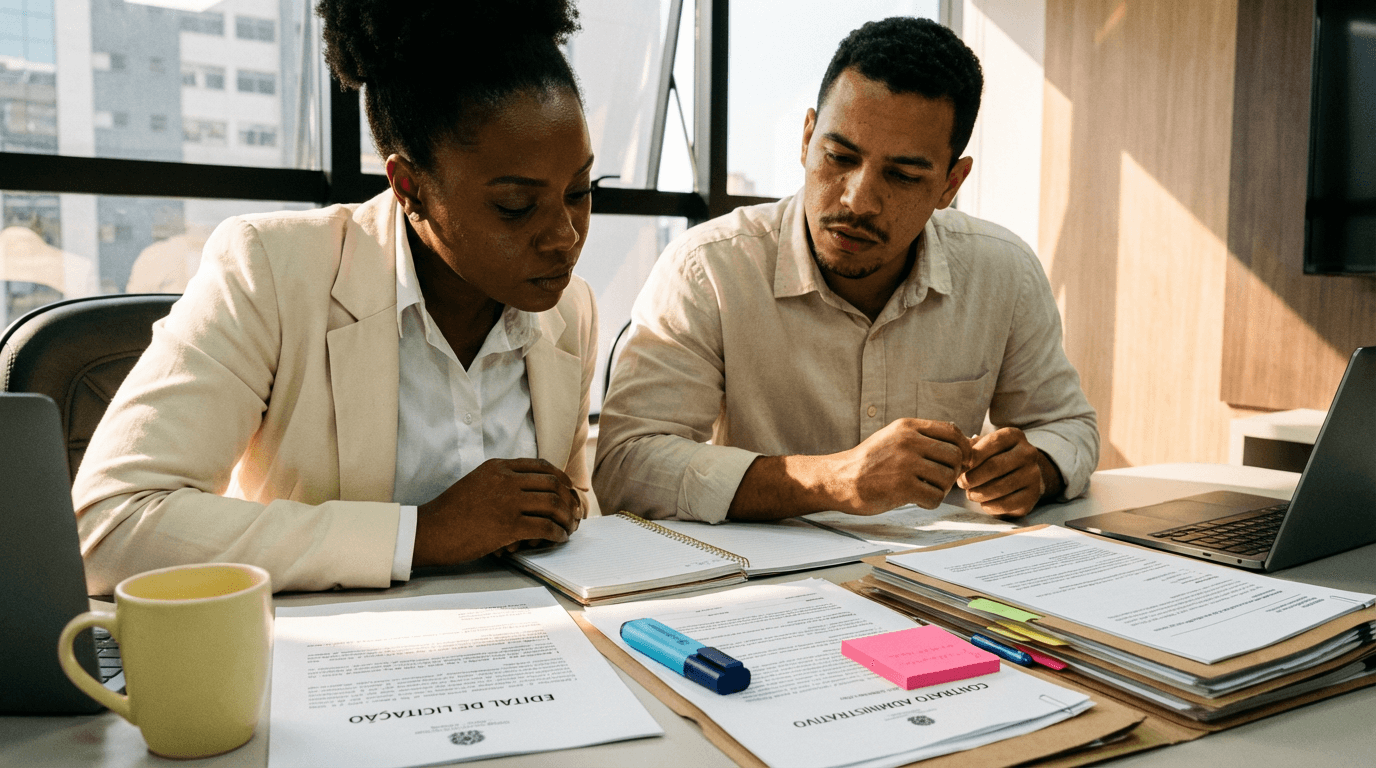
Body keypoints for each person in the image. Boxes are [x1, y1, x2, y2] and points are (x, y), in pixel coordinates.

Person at [73, 0, 598, 594]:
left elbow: (570, 518)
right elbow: (112, 525)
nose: (566, 236)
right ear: (409, 186)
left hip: (533, 663)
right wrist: (419, 535)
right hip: (336, 666)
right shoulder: (273, 270)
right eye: (515, 206)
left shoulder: (567, 310)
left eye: (580, 190)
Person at [594, 17, 1097, 525]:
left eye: (901, 176)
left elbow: (1068, 425)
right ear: (808, 138)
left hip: (942, 575)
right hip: (769, 592)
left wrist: (1038, 468)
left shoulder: (1001, 272)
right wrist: (831, 479)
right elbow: (627, 466)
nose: (858, 201)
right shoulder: (709, 268)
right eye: (839, 156)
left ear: (951, 182)